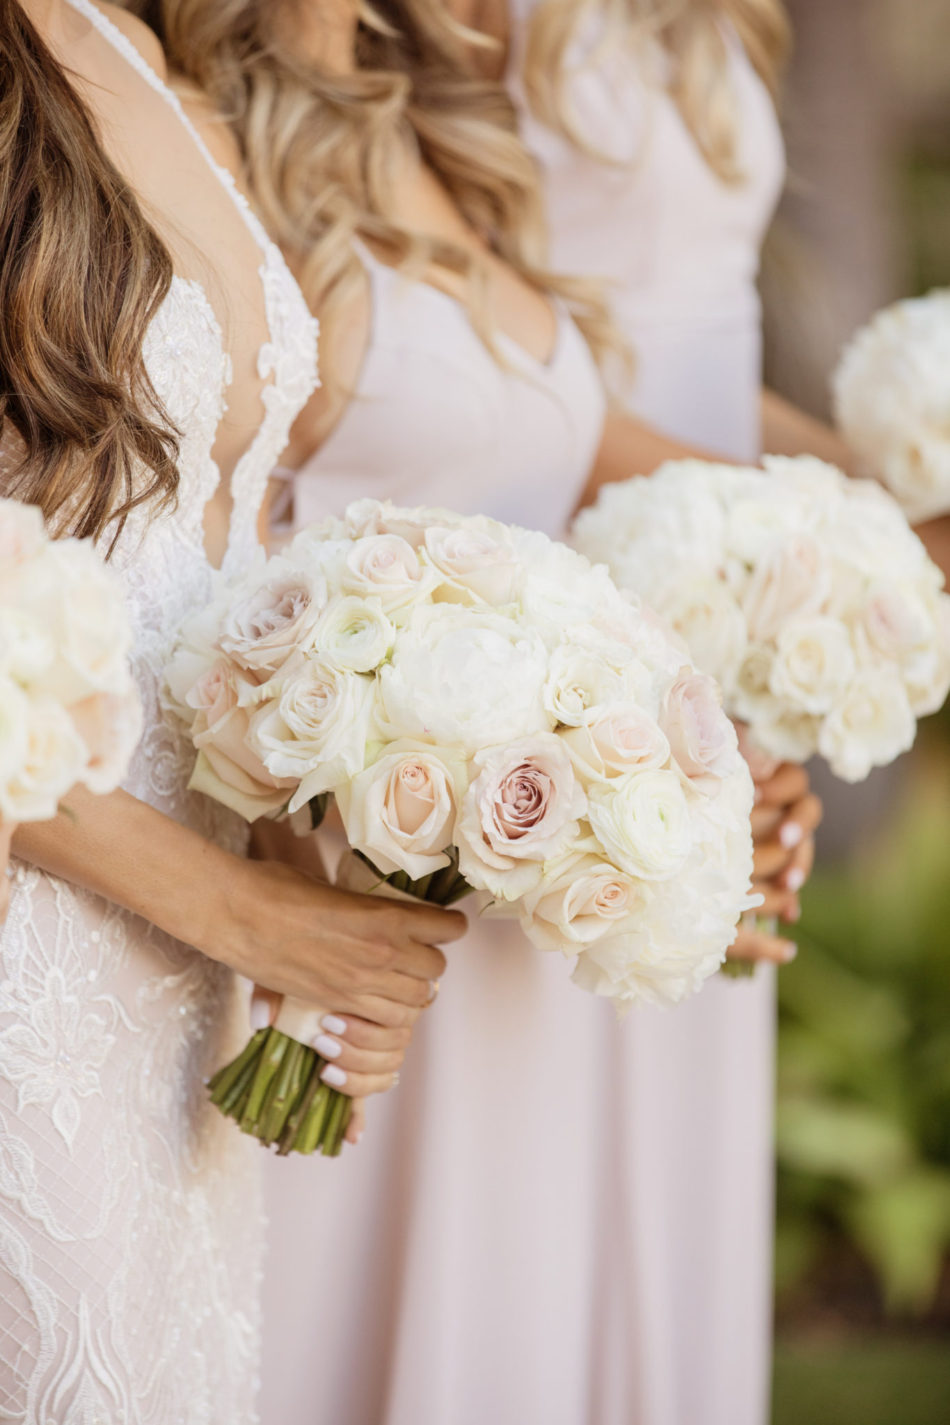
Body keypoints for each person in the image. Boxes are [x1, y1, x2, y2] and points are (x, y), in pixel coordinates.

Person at [133, 3, 822, 1423]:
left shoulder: (443, 131)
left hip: (510, 889)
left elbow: (580, 459)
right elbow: (197, 560)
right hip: (346, 871)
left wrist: (691, 771)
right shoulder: (199, 137)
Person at [0, 4, 463, 1418]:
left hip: (180, 974)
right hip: (36, 922)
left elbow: (216, 558)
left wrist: (302, 887)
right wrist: (247, 912)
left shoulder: (136, 48)